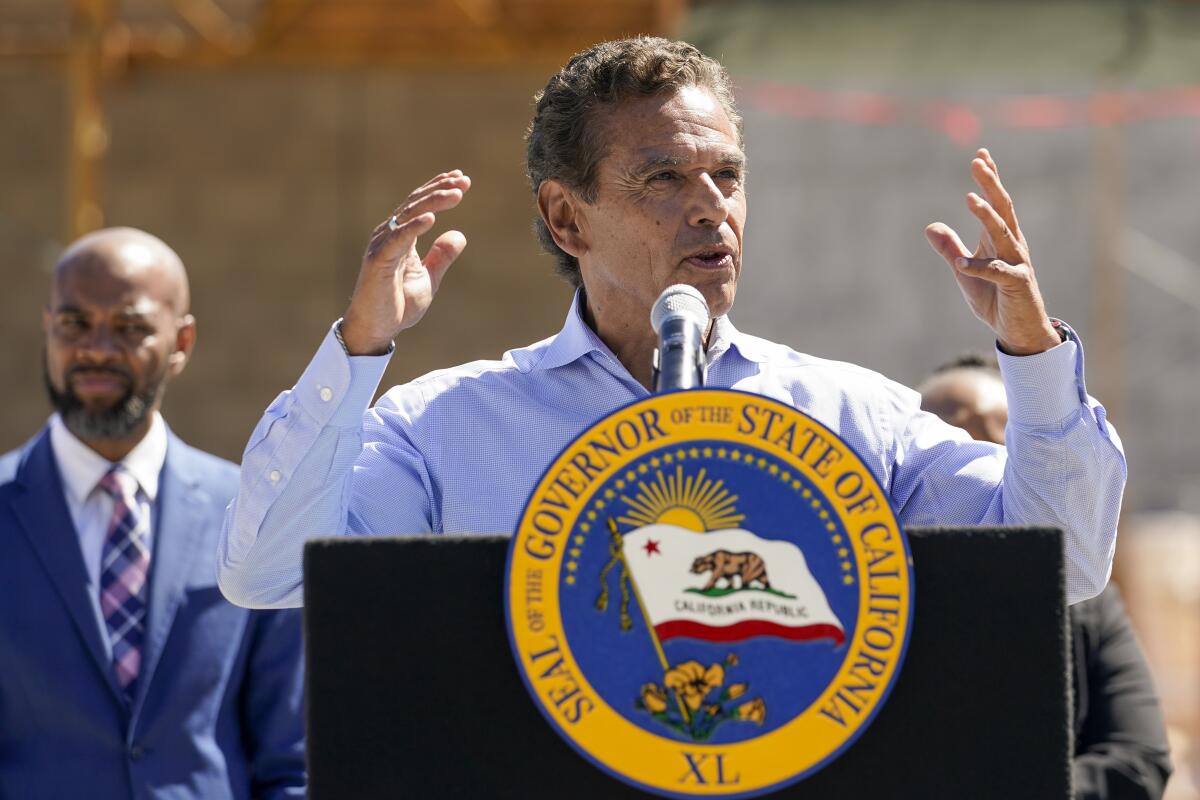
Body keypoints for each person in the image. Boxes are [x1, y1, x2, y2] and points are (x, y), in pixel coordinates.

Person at [217, 36, 1125, 611]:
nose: (711, 209)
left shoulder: (849, 417)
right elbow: (266, 573)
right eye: (664, 179)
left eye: (727, 176)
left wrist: (1034, 355)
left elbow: (1063, 567)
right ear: (567, 218)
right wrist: (360, 349)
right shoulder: (450, 430)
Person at [0, 228, 306, 798]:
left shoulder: (253, 515)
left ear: (181, 341)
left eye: (130, 328)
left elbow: (292, 756)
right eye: (74, 324)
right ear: (47, 329)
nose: (96, 348)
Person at [920, 355, 1171, 800]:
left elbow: (1139, 761)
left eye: (999, 432)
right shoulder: (878, 599)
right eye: (949, 438)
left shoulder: (1087, 600)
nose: (975, 456)